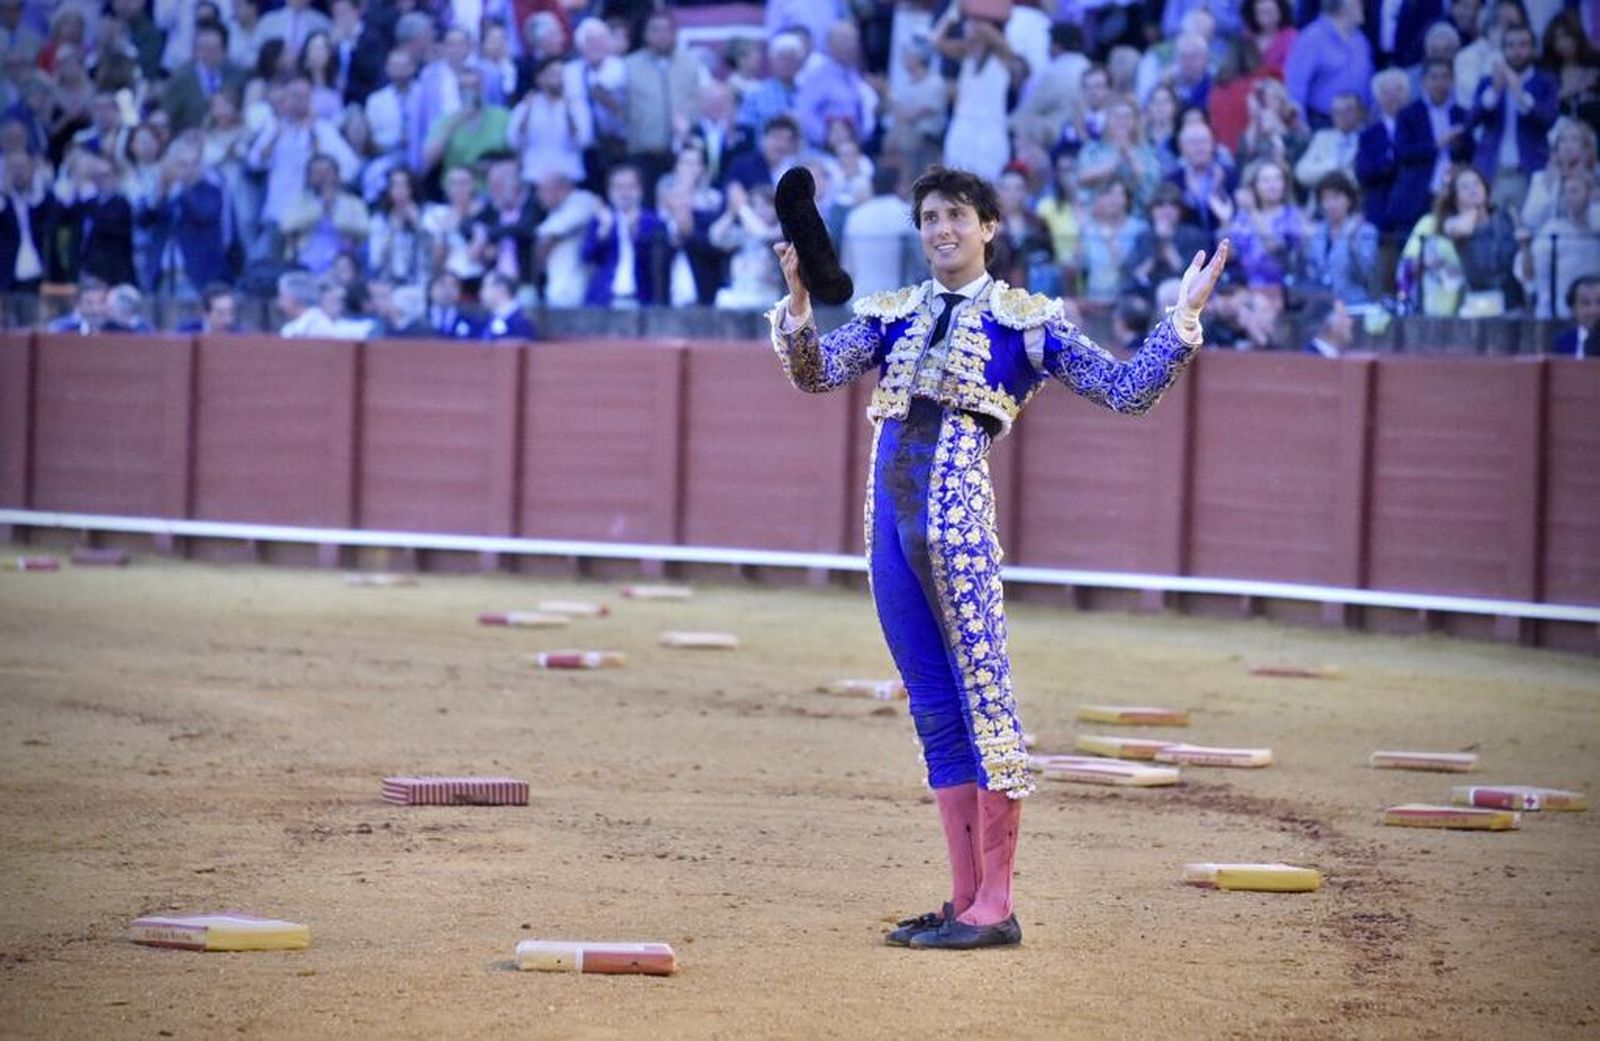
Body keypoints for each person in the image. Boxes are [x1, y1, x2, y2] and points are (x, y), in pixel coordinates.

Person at [767, 166, 1229, 951]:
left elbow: (1125, 391)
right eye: (928, 217)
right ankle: (962, 898)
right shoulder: (892, 314)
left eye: (955, 215)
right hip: (887, 529)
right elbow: (815, 374)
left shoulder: (1026, 321)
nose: (940, 229)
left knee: (985, 704)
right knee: (934, 710)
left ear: (987, 227)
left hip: (956, 526)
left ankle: (999, 903)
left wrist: (1180, 321)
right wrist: (801, 308)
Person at [1469, 23, 1558, 211]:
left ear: (1533, 49)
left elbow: (1549, 120)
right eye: (1510, 45)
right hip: (1491, 170)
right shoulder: (1488, 82)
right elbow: (1471, 120)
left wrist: (1522, 96)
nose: (1517, 51)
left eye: (1523, 45)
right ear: (1503, 50)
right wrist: (1494, 91)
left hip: (1528, 170)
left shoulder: (1545, 81)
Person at [582, 163, 668, 307]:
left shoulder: (653, 221)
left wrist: (635, 232)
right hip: (604, 300)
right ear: (609, 191)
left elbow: (656, 263)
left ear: (640, 190)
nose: (625, 193)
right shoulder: (600, 219)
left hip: (641, 299)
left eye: (630, 187)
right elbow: (586, 256)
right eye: (619, 187)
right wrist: (604, 231)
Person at [1300, 172, 1379, 303]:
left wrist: (1351, 242)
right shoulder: (1316, 232)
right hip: (1321, 307)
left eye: (1335, 198)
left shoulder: (1365, 231)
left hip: (1353, 305)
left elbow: (1365, 274)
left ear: (1349, 199)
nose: (1330, 205)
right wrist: (1304, 244)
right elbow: (1309, 273)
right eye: (1325, 199)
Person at [478, 270, 536, 341]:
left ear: (501, 289)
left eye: (485, 287)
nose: (481, 292)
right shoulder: (489, 319)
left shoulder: (522, 322)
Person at [1551, 274, 1599, 357]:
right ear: (1573, 309)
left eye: (1599, 302)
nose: (1594, 310)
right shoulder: (1563, 342)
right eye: (1586, 303)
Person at [176, 282, 244, 333]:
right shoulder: (185, 334)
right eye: (221, 313)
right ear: (205, 313)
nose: (228, 320)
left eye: (231, 313)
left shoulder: (241, 335)